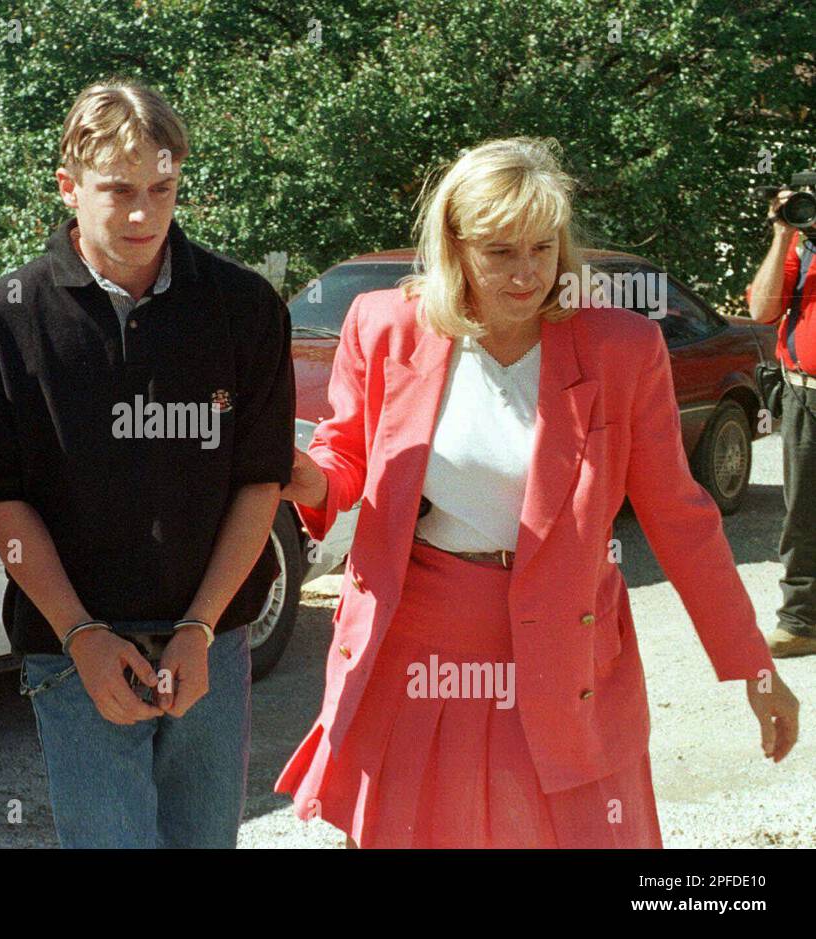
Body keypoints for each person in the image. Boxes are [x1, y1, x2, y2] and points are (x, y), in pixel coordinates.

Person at [276, 137, 800, 848]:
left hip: (570, 652)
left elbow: (682, 521)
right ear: (455, 246)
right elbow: (348, 451)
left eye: (542, 248)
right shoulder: (384, 324)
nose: (527, 275)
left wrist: (754, 668)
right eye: (500, 252)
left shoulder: (621, 347)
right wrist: (312, 476)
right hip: (424, 652)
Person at [0, 80, 294, 848]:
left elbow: (260, 481)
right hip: (72, 645)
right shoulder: (9, 314)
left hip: (212, 637)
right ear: (68, 186)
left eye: (162, 188)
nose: (143, 214)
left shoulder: (244, 306)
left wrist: (201, 629)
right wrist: (82, 636)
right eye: (117, 191)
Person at [747, 188, 816, 658]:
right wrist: (782, 231)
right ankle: (801, 622)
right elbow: (762, 310)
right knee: (804, 516)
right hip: (807, 396)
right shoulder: (800, 247)